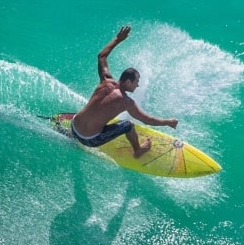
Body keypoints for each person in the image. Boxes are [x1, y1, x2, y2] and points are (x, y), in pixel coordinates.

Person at [70, 26, 178, 158]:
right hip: (89, 140)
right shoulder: (126, 102)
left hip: (73, 128)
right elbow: (147, 120)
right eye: (136, 81)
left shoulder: (105, 80)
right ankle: (138, 150)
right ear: (128, 81)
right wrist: (168, 122)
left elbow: (101, 56)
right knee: (128, 125)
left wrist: (117, 39)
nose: (138, 85)